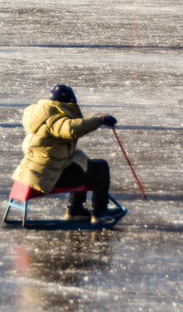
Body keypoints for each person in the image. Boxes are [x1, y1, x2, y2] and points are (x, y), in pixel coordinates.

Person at [12, 84, 121, 225]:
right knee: (100, 168)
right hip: (48, 177)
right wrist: (99, 120)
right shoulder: (55, 120)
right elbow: (71, 128)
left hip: (35, 173)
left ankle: (75, 209)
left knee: (79, 161)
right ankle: (100, 211)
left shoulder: (43, 116)